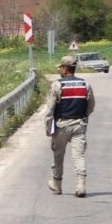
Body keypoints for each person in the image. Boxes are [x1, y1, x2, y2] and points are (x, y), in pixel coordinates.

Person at [47, 55, 95, 197]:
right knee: (79, 156)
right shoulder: (85, 84)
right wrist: (84, 117)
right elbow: (91, 106)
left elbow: (49, 110)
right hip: (79, 125)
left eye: (61, 67)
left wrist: (49, 127)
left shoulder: (57, 85)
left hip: (61, 125)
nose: (59, 70)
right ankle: (80, 185)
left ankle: (57, 185)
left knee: (58, 156)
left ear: (65, 68)